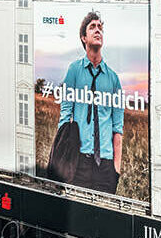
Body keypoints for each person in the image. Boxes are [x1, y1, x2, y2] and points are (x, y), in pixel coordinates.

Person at [52, 11, 125, 194]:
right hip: (79, 162)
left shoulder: (113, 79)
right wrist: (62, 159)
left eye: (100, 27)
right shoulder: (74, 71)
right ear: (84, 37)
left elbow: (118, 128)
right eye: (92, 27)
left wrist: (116, 169)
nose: (97, 30)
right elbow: (65, 116)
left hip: (106, 166)